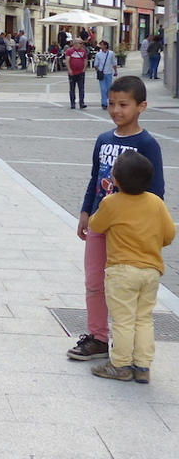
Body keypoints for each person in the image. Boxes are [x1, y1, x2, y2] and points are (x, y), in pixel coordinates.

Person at [67, 75, 165, 362]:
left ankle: (129, 343)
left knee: (124, 286)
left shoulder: (147, 144)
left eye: (123, 104)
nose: (116, 110)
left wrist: (147, 227)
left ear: (141, 106)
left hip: (129, 232)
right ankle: (98, 337)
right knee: (94, 281)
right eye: (111, 104)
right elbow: (94, 178)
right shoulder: (104, 140)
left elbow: (156, 191)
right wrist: (86, 211)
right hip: (100, 222)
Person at [87, 150, 175, 382]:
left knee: (123, 320)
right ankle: (143, 367)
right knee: (144, 318)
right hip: (151, 271)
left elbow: (97, 225)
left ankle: (120, 364)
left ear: (115, 179)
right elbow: (169, 234)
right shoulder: (156, 202)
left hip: (121, 272)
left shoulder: (111, 203)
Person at [93, 40, 117, 109]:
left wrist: (115, 71)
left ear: (106, 46)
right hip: (102, 73)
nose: (101, 46)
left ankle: (109, 100)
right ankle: (104, 102)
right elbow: (96, 64)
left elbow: (114, 62)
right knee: (103, 89)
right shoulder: (98, 54)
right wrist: (98, 71)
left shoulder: (111, 53)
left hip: (109, 72)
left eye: (102, 45)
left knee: (109, 88)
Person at [65, 38, 88, 109]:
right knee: (72, 88)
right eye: (81, 43)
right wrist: (69, 70)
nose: (82, 45)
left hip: (81, 72)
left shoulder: (83, 51)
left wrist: (84, 68)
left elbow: (85, 60)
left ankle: (81, 102)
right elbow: (67, 61)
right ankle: (73, 103)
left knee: (81, 88)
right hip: (72, 72)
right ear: (76, 44)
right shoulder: (69, 51)